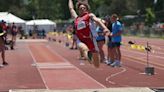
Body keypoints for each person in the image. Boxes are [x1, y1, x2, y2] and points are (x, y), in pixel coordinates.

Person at [68, 0, 110, 68]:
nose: (82, 9)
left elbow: (97, 20)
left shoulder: (90, 16)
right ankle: (87, 55)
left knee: (96, 65)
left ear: (87, 9)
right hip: (80, 40)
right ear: (78, 10)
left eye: (84, 8)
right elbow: (71, 9)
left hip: (91, 41)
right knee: (84, 48)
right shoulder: (76, 18)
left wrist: (104, 28)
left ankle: (91, 58)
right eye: (80, 8)